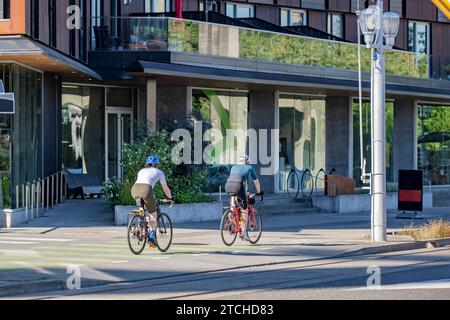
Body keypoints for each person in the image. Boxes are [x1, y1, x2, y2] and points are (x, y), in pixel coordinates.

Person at [131, 155, 173, 247]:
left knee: (142, 210)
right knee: (153, 216)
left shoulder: (141, 170)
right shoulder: (159, 172)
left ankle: (139, 227)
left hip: (134, 190)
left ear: (147, 164)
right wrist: (170, 198)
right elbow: (165, 188)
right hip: (146, 190)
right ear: (157, 164)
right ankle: (151, 238)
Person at [225, 154, 263, 242]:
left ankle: (231, 220)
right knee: (244, 209)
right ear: (247, 162)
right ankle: (243, 233)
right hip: (238, 186)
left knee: (233, 205)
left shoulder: (233, 167)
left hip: (228, 186)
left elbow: (233, 179)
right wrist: (259, 192)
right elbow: (256, 182)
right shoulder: (249, 167)